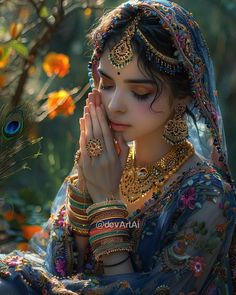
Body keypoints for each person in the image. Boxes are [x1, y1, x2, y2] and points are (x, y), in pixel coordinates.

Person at [0, 0, 235, 294]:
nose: (113, 105)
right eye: (107, 84)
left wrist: (107, 201)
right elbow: (58, 268)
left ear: (183, 96)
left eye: (139, 92)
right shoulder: (104, 160)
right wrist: (85, 186)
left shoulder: (208, 196)